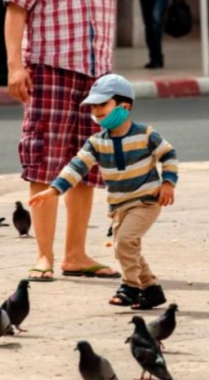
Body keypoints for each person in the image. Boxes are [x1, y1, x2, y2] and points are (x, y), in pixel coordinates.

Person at [4, 0, 167, 282]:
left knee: (87, 164)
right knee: (44, 161)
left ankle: (75, 255)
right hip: (49, 66)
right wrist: (14, 66)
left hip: (98, 77)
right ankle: (43, 255)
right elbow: (16, 9)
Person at [30, 74, 178, 309]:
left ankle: (130, 287)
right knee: (126, 247)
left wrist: (168, 183)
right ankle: (151, 289)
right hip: (119, 207)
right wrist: (54, 190)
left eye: (103, 104)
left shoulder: (146, 135)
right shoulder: (96, 142)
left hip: (146, 201)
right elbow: (77, 166)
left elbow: (168, 155)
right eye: (94, 105)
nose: (96, 110)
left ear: (124, 106)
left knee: (125, 242)